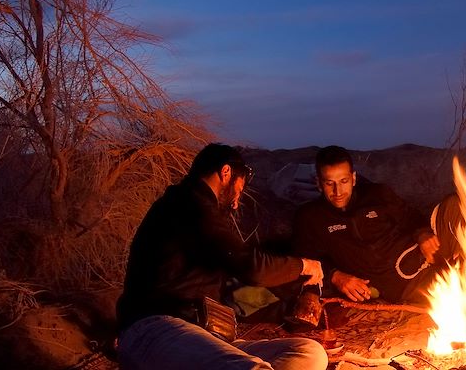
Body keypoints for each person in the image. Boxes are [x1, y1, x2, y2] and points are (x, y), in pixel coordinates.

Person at [115, 143, 328, 370]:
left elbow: (238, 279)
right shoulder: (188, 205)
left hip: (201, 335)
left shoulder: (199, 210)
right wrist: (305, 266)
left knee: (310, 353)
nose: (236, 203)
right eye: (239, 189)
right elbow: (251, 268)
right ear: (226, 172)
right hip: (155, 330)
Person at [291, 145, 466, 305]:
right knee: (465, 298)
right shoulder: (310, 218)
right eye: (330, 183)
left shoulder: (378, 195)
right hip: (408, 285)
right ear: (319, 184)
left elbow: (411, 217)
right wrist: (335, 276)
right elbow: (305, 260)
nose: (338, 191)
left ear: (353, 178)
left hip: (428, 254)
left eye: (343, 181)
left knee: (462, 204)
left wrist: (422, 233)